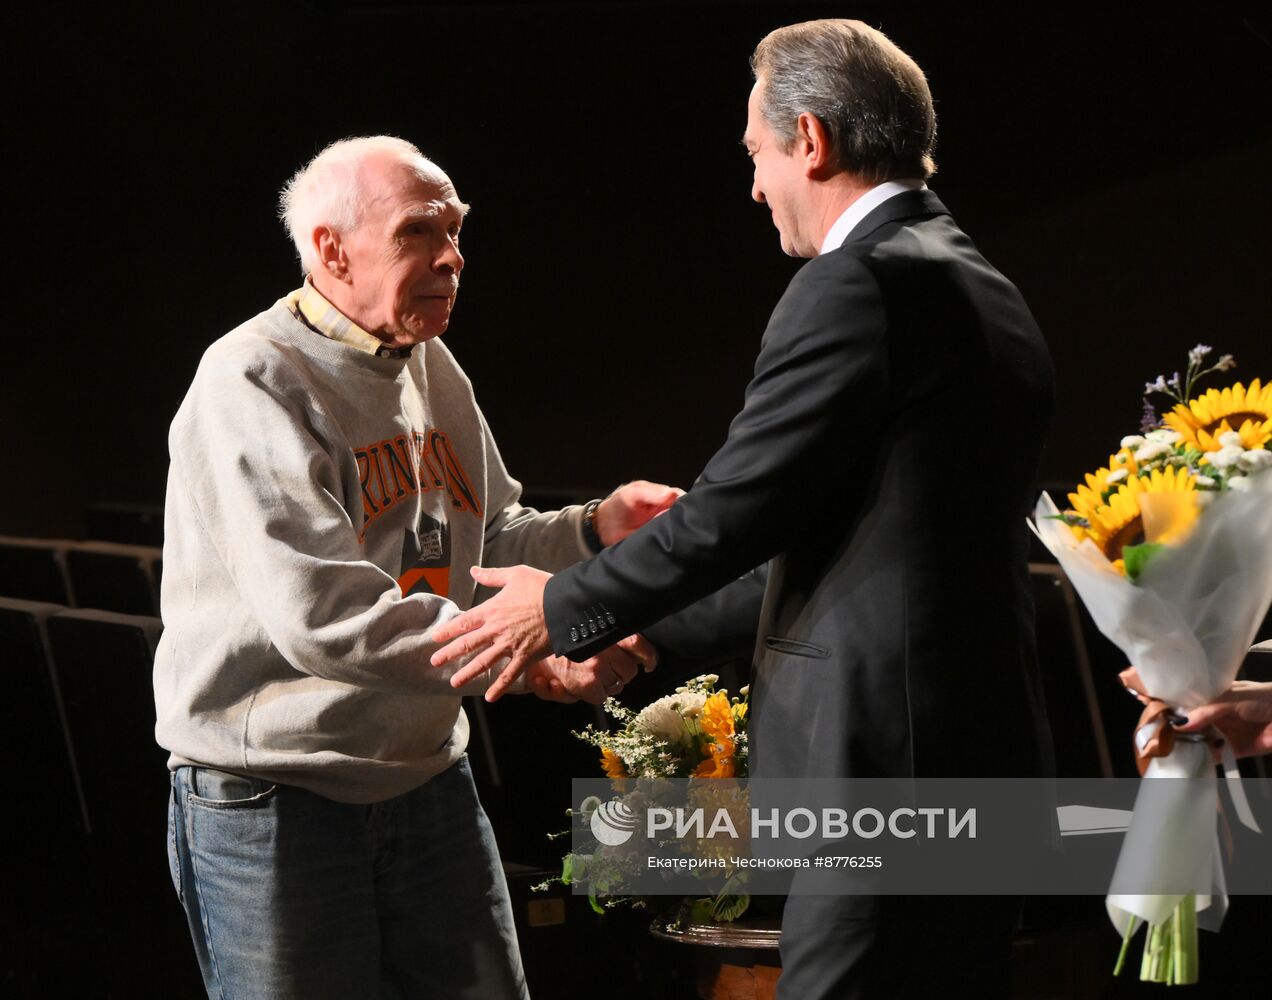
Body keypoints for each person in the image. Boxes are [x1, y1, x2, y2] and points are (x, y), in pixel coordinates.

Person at [432, 20, 1054, 998]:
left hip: (876, 778)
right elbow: (835, 548)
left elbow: (734, 512)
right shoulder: (984, 286)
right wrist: (641, 640)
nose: (756, 186)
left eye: (758, 155)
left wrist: (557, 610)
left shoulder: (856, 281)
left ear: (810, 139)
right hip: (974, 757)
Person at [153, 134, 679, 999]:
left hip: (428, 777)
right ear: (332, 249)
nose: (453, 256)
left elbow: (488, 537)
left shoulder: (429, 362)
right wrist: (526, 650)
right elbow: (325, 615)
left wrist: (595, 530)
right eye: (419, 233)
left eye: (457, 230)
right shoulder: (250, 380)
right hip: (278, 800)